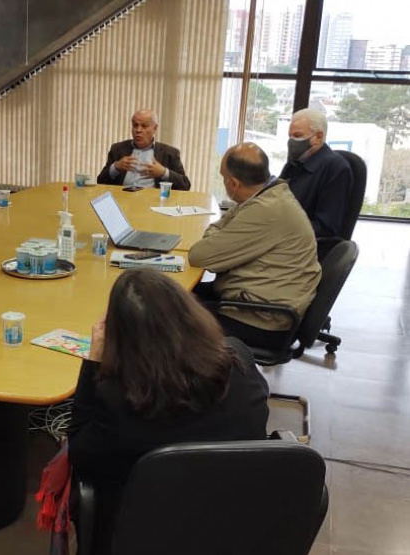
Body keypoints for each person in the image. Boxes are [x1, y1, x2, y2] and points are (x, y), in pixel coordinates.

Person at [68, 268, 269, 553]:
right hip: (237, 523)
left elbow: (78, 454)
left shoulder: (119, 403)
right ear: (191, 314)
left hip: (143, 534)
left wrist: (94, 365)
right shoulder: (240, 363)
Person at [189, 142, 321, 349]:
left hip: (260, 320)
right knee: (175, 294)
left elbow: (200, 256)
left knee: (168, 319)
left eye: (223, 178)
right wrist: (217, 234)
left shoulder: (265, 210)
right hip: (260, 301)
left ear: (233, 183)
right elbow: (218, 228)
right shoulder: (269, 194)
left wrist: (216, 235)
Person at [279, 108, 353, 258]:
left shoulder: (336, 168)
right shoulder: (294, 165)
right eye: (290, 136)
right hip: (282, 240)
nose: (292, 141)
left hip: (303, 251)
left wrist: (280, 229)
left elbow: (326, 227)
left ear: (318, 137)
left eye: (298, 136)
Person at [96, 109, 191, 190]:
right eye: (135, 125)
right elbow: (100, 181)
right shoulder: (118, 149)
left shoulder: (169, 153)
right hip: (122, 201)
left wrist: (163, 172)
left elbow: (185, 185)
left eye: (144, 126)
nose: (138, 130)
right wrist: (115, 167)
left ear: (155, 128)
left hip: (153, 203)